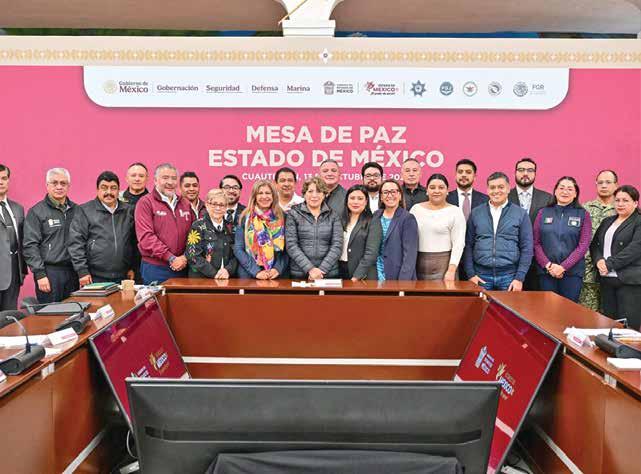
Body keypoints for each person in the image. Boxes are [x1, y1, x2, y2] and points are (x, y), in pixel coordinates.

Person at [464, 172, 533, 291]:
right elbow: (468, 245)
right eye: (492, 187)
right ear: (487, 190)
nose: (496, 191)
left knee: (507, 305)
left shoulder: (520, 214)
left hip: (509, 276)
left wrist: (519, 278)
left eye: (501, 187)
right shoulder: (476, 213)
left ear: (508, 189)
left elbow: (527, 247)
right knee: (481, 304)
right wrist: (470, 274)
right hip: (481, 276)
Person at [68, 171, 135, 284]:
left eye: (113, 188)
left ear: (119, 190)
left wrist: (132, 267)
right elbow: (76, 243)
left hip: (124, 276)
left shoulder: (128, 211)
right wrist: (82, 271)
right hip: (94, 276)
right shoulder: (85, 210)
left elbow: (133, 241)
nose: (109, 192)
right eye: (104, 188)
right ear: (97, 190)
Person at [23, 167, 79, 303]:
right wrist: (40, 274)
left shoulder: (77, 210)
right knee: (51, 314)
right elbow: (30, 246)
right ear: (47, 185)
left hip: (73, 272)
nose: (59, 187)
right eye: (54, 183)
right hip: (49, 273)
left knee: (73, 312)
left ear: (68, 186)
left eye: (63, 183)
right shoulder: (36, 212)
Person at [533, 177, 592, 302]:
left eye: (570, 189)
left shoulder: (583, 214)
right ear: (555, 191)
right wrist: (548, 266)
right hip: (547, 272)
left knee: (568, 310)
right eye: (561, 188)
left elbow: (583, 245)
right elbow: (536, 243)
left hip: (572, 274)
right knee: (548, 309)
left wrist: (563, 267)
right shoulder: (543, 213)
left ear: (575, 194)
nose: (565, 191)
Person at [591, 185, 641, 330]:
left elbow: (635, 249)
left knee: (628, 327)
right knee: (608, 324)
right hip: (607, 280)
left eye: (625, 200)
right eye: (617, 200)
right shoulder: (607, 221)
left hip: (629, 281)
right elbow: (595, 245)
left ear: (635, 203)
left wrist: (609, 264)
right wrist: (599, 261)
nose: (620, 204)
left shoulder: (638, 221)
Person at [135, 163, 194, 284]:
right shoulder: (145, 203)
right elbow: (146, 238)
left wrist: (185, 257)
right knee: (156, 298)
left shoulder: (185, 203)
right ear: (155, 180)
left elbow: (194, 235)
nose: (170, 182)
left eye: (174, 178)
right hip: (155, 268)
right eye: (165, 178)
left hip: (183, 267)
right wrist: (170, 257)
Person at [508, 157, 552, 290]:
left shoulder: (547, 198)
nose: (525, 173)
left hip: (539, 262)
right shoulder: (505, 197)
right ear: (515, 173)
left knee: (536, 300)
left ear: (535, 174)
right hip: (510, 260)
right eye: (521, 170)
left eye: (530, 170)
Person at [286, 176, 343, 280]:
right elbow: (291, 245)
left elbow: (337, 245)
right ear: (304, 194)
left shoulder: (333, 215)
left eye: (319, 191)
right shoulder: (294, 214)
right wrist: (310, 269)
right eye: (310, 191)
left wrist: (321, 270)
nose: (314, 195)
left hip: (327, 273)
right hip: (300, 273)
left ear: (324, 194)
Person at [411, 174, 465, 281]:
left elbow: (458, 244)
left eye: (441, 187)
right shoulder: (416, 209)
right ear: (427, 191)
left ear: (447, 191)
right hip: (418, 266)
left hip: (445, 267)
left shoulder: (455, 211)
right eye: (432, 187)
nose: (436, 191)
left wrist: (451, 270)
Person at [579, 169, 618, 311]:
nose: (604, 186)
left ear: (616, 185)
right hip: (587, 271)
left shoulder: (621, 209)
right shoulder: (584, 208)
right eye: (600, 182)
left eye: (608, 182)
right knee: (586, 314)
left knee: (610, 315)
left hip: (613, 270)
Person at [234, 180, 288, 279]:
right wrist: (256, 271)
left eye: (268, 193)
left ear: (273, 196)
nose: (264, 196)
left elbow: (288, 248)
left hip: (276, 275)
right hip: (249, 274)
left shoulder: (283, 217)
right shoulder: (244, 217)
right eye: (260, 193)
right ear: (254, 196)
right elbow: (238, 249)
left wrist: (277, 269)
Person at [186, 189, 237, 279]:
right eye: (214, 204)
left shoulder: (231, 227)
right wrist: (214, 274)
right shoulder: (197, 226)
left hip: (227, 278)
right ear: (207, 205)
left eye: (221, 205)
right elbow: (192, 255)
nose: (218, 208)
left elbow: (237, 254)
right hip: (201, 279)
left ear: (226, 207)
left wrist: (228, 270)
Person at [374, 179, 418, 280]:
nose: (390, 195)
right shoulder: (376, 215)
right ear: (381, 197)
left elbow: (410, 256)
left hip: (397, 275)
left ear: (400, 195)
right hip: (376, 273)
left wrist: (402, 283)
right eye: (385, 192)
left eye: (393, 191)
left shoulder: (408, 218)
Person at [339, 185, 382, 281]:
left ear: (366, 201)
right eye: (352, 198)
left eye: (360, 198)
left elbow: (371, 253)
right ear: (347, 200)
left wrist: (357, 276)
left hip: (362, 275)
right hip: (340, 270)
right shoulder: (340, 220)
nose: (355, 202)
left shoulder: (373, 221)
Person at [0, 164, 27, 310]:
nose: (1, 182)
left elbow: (23, 240)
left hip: (14, 272)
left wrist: (22, 270)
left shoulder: (18, 208)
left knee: (9, 317)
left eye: (4, 178)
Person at [120, 162, 149, 283]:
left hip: (146, 258)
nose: (137, 179)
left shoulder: (153, 200)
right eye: (133, 175)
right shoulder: (116, 199)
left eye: (141, 176)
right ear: (126, 178)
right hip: (121, 258)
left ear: (147, 178)